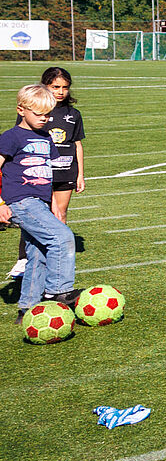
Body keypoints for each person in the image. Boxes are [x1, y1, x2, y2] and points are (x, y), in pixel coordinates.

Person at [0, 84, 77, 316]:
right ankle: (57, 291)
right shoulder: (11, 137)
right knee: (62, 237)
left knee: (38, 253)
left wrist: (53, 203)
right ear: (21, 110)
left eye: (48, 114)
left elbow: (47, 173)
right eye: (39, 114)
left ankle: (28, 308)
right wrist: (1, 204)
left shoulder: (46, 137)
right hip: (21, 200)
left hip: (41, 202)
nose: (44, 118)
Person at [11, 66, 85, 279]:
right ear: (44, 86)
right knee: (36, 217)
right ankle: (24, 259)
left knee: (60, 215)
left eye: (65, 87)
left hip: (65, 172)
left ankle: (58, 261)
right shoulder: (35, 112)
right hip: (40, 172)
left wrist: (80, 174)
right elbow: (21, 139)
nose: (60, 91)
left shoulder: (73, 114)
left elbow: (77, 144)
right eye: (55, 87)